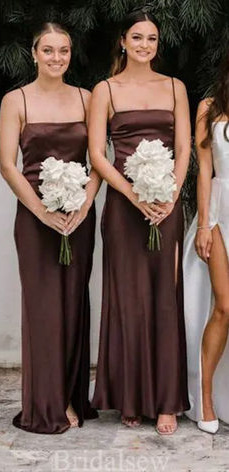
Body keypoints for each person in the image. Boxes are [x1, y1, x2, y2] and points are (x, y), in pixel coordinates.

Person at [89, 6, 191, 435]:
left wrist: (169, 197)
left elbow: (184, 148)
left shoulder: (175, 87)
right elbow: (98, 154)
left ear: (157, 44)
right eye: (137, 37)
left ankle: (166, 401)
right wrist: (133, 196)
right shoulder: (105, 89)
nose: (145, 45)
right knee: (126, 300)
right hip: (123, 209)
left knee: (164, 300)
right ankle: (129, 396)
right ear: (123, 42)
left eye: (151, 38)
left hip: (166, 207)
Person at [0, 22, 100, 434]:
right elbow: (8, 165)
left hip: (78, 217)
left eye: (64, 51)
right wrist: (42, 211)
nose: (57, 58)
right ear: (34, 53)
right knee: (43, 311)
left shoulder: (87, 98)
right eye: (48, 50)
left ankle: (71, 397)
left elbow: (98, 161)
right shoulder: (15, 100)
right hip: (35, 218)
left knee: (73, 306)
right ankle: (48, 405)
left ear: (71, 54)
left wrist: (83, 204)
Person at [183, 57, 229, 434]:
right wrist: (203, 223)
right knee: (224, 306)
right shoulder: (210, 107)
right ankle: (206, 399)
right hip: (219, 213)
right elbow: (205, 169)